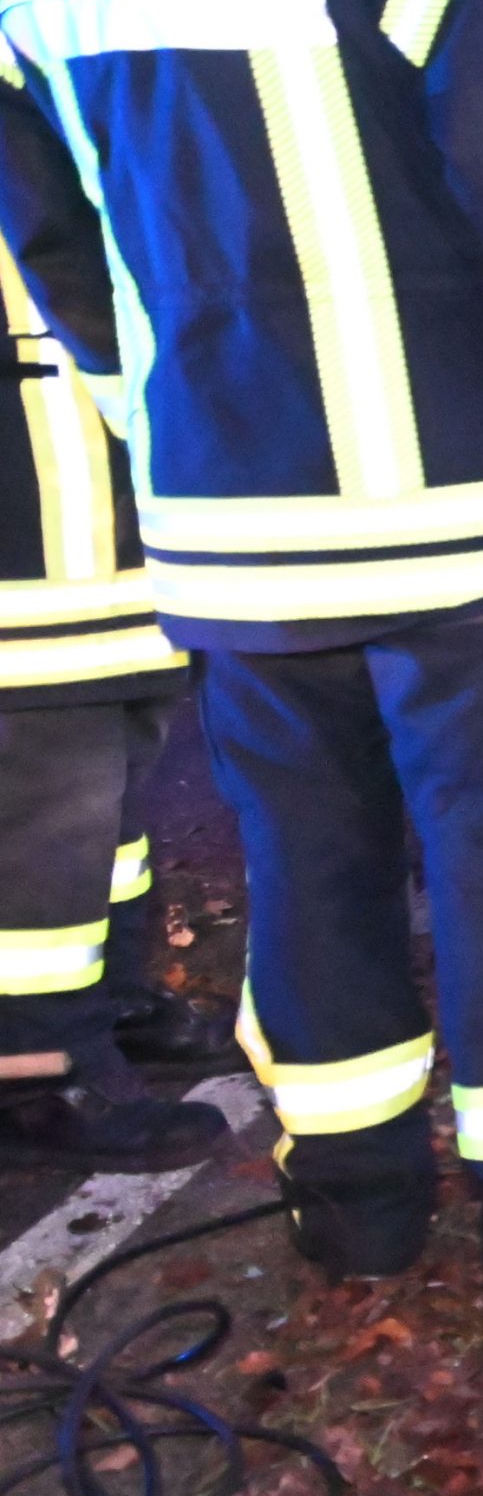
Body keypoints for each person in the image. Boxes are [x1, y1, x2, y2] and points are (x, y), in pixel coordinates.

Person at [0, 0, 483, 1336]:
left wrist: (160, 426)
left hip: (229, 528)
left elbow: (54, 246)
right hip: (459, 518)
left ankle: (355, 1204)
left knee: (307, 860)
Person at [0, 240, 230, 1173]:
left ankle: (109, 1004)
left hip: (114, 518)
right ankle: (33, 1078)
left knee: (114, 800)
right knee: (49, 819)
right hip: (29, 541)